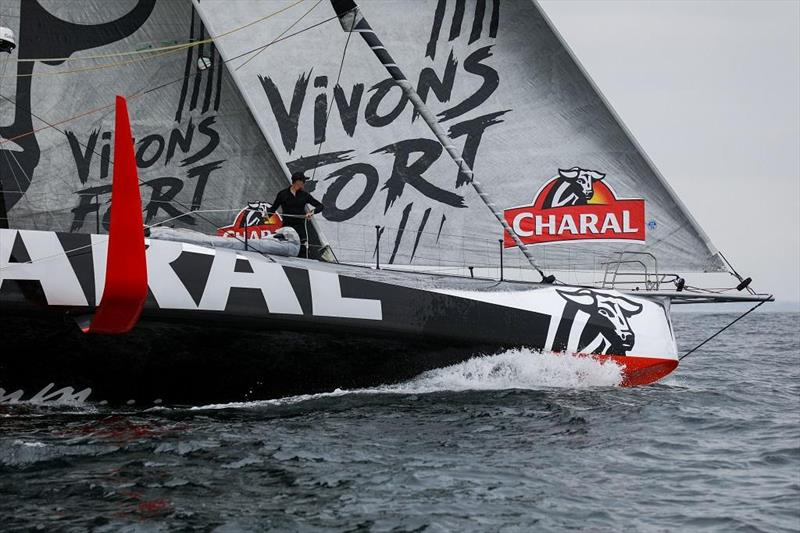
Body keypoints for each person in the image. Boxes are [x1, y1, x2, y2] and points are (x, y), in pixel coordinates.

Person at [265, 172, 324, 257]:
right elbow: (273, 209)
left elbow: (320, 206)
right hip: (287, 227)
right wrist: (263, 218)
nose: (304, 184)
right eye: (303, 181)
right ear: (298, 182)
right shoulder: (282, 194)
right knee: (285, 249)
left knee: (302, 250)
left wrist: (311, 212)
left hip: (300, 228)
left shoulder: (304, 195)